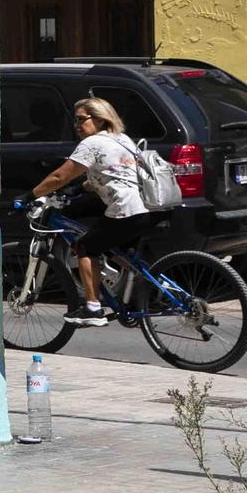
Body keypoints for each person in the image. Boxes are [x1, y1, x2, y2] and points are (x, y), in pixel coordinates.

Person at [25, 95, 154, 328]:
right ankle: (155, 289)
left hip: (125, 208)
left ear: (100, 119)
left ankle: (93, 309)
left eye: (80, 120)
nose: (76, 126)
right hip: (146, 206)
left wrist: (29, 196)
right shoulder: (121, 139)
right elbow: (111, 174)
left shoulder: (92, 144)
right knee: (116, 249)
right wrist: (76, 189)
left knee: (85, 247)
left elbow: (58, 177)